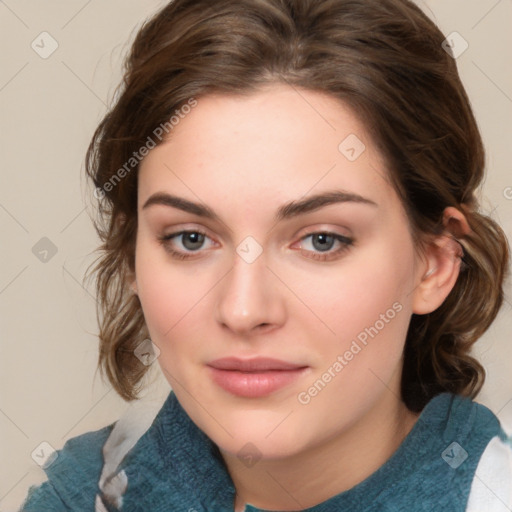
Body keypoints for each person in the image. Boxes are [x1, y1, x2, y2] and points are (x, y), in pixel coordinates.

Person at [20, 0, 512, 510]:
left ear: (434, 262)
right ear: (130, 255)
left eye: (322, 240)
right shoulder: (79, 495)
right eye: (190, 238)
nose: (244, 309)